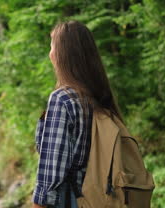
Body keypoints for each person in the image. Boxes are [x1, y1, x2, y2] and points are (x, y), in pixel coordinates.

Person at [32, 21, 123, 208]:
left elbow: (50, 177)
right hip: (100, 199)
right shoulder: (99, 97)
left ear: (62, 55)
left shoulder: (62, 100)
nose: (50, 54)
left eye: (52, 46)